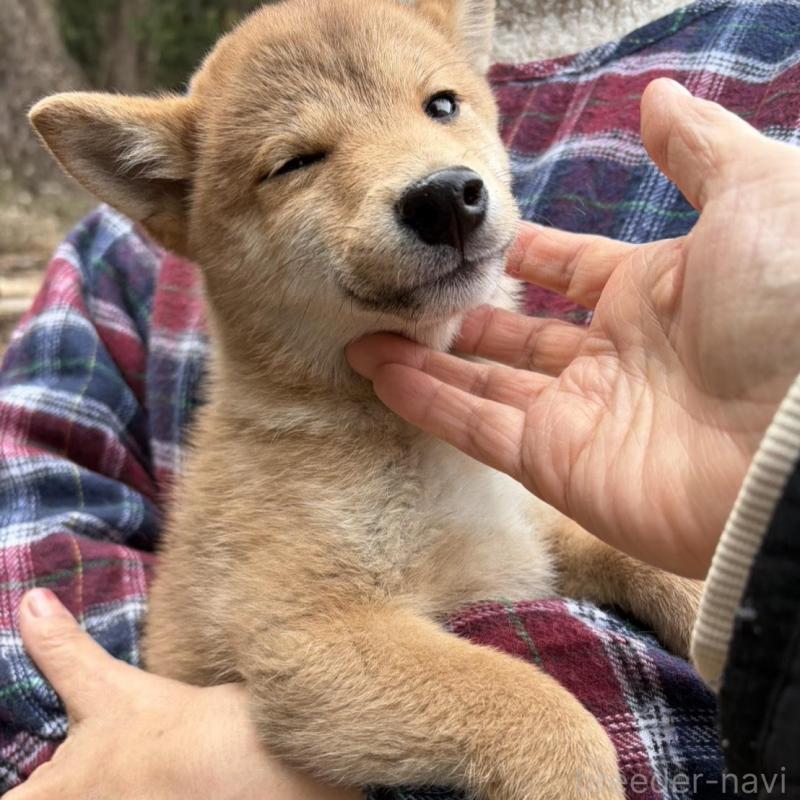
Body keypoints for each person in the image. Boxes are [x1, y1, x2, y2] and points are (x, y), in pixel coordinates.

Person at [5, 75, 800, 798]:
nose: (430, 171)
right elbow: (301, 652)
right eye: (298, 160)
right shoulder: (125, 269)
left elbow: (550, 548)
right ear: (172, 197)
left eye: (442, 106)